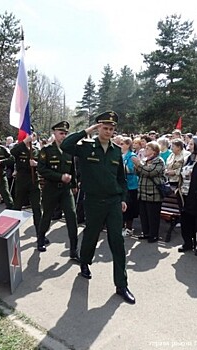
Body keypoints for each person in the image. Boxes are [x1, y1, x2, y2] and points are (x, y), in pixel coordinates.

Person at [60, 111, 135, 304]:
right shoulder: (86, 147)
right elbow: (66, 145)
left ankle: (121, 284)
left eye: (111, 129)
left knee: (117, 242)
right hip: (93, 201)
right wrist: (86, 131)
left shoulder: (117, 150)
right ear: (98, 127)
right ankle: (85, 262)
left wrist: (123, 198)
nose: (108, 131)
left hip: (113, 202)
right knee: (91, 235)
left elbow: (121, 179)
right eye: (104, 127)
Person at [37, 121, 79, 260]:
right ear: (54, 134)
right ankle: (41, 238)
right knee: (47, 215)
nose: (63, 136)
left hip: (66, 190)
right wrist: (60, 177)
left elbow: (72, 168)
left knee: (72, 217)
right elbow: (42, 169)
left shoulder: (69, 149)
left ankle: (73, 250)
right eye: (61, 133)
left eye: (65, 133)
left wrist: (73, 184)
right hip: (51, 188)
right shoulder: (47, 150)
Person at [132, 141, 165, 243]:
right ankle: (145, 232)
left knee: (153, 215)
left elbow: (150, 172)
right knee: (144, 214)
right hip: (143, 192)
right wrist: (137, 166)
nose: (145, 150)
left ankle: (153, 234)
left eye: (148, 148)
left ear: (154, 151)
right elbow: (138, 172)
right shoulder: (145, 160)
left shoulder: (159, 161)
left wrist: (138, 164)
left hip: (154, 193)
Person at [10, 132, 42, 238]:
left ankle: (40, 234)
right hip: (21, 181)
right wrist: (25, 141)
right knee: (17, 206)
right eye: (29, 135)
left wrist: (36, 164)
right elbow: (12, 152)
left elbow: (43, 164)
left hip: (34, 181)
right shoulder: (19, 148)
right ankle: (12, 233)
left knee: (37, 208)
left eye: (33, 135)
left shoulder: (37, 151)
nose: (31, 137)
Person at [121, 137, 139, 236]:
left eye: (122, 144)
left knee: (130, 207)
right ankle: (122, 226)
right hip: (122, 185)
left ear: (128, 145)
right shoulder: (121, 155)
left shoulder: (132, 156)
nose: (120, 146)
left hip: (131, 185)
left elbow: (134, 169)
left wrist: (123, 167)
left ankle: (129, 228)